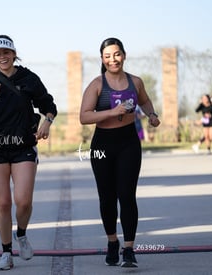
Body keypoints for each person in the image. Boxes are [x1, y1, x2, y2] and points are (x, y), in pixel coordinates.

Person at [0, 34, 57, 271]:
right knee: (4, 203)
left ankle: (22, 235)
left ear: (14, 53)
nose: (2, 57)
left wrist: (47, 122)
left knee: (23, 201)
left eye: (6, 52)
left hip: (23, 147)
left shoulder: (29, 78)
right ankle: (6, 252)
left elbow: (49, 105)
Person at [79, 38, 160, 268]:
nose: (112, 59)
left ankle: (129, 249)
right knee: (107, 196)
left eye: (116, 54)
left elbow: (145, 101)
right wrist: (112, 112)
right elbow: (84, 117)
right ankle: (112, 241)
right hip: (102, 145)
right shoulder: (97, 84)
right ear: (102, 59)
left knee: (127, 195)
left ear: (124, 55)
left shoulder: (136, 81)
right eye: (107, 56)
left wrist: (152, 115)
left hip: (128, 143)